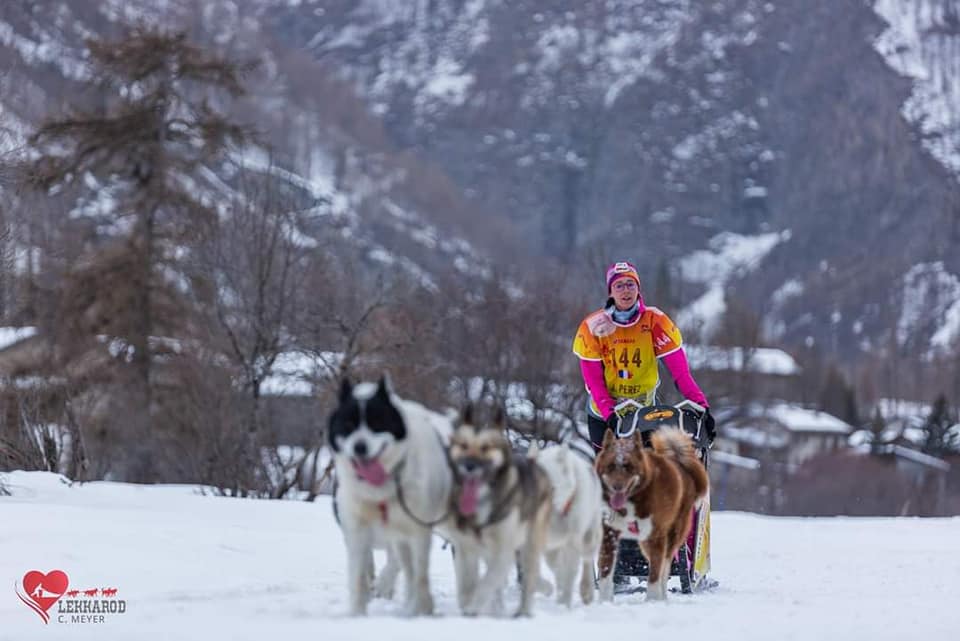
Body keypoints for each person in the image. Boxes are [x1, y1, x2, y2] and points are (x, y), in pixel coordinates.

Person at [571, 260, 715, 588]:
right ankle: (613, 558)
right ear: (610, 290)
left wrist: (702, 406)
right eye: (619, 285)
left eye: (630, 284)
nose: (625, 290)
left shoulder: (655, 322)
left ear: (639, 289)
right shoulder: (594, 326)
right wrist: (610, 414)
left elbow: (680, 373)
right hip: (604, 415)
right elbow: (593, 380)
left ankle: (652, 549)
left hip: (644, 414)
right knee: (613, 484)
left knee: (648, 482)